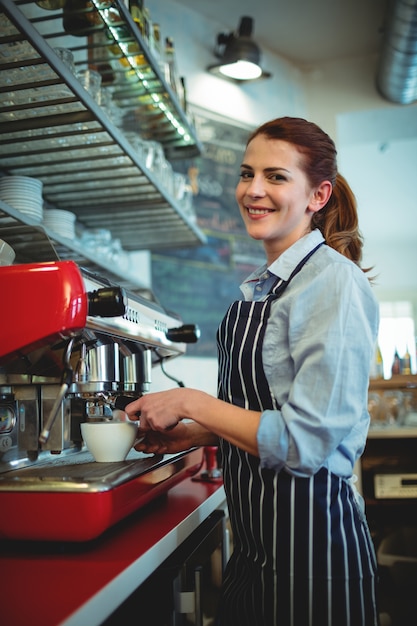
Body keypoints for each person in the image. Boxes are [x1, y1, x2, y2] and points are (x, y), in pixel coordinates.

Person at [125, 116, 380, 626]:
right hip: (256, 551)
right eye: (247, 174)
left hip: (316, 560)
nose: (254, 190)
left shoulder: (333, 284)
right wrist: (194, 435)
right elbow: (267, 417)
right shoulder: (262, 290)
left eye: (277, 177)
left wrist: (193, 403)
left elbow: (305, 443)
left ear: (318, 195)